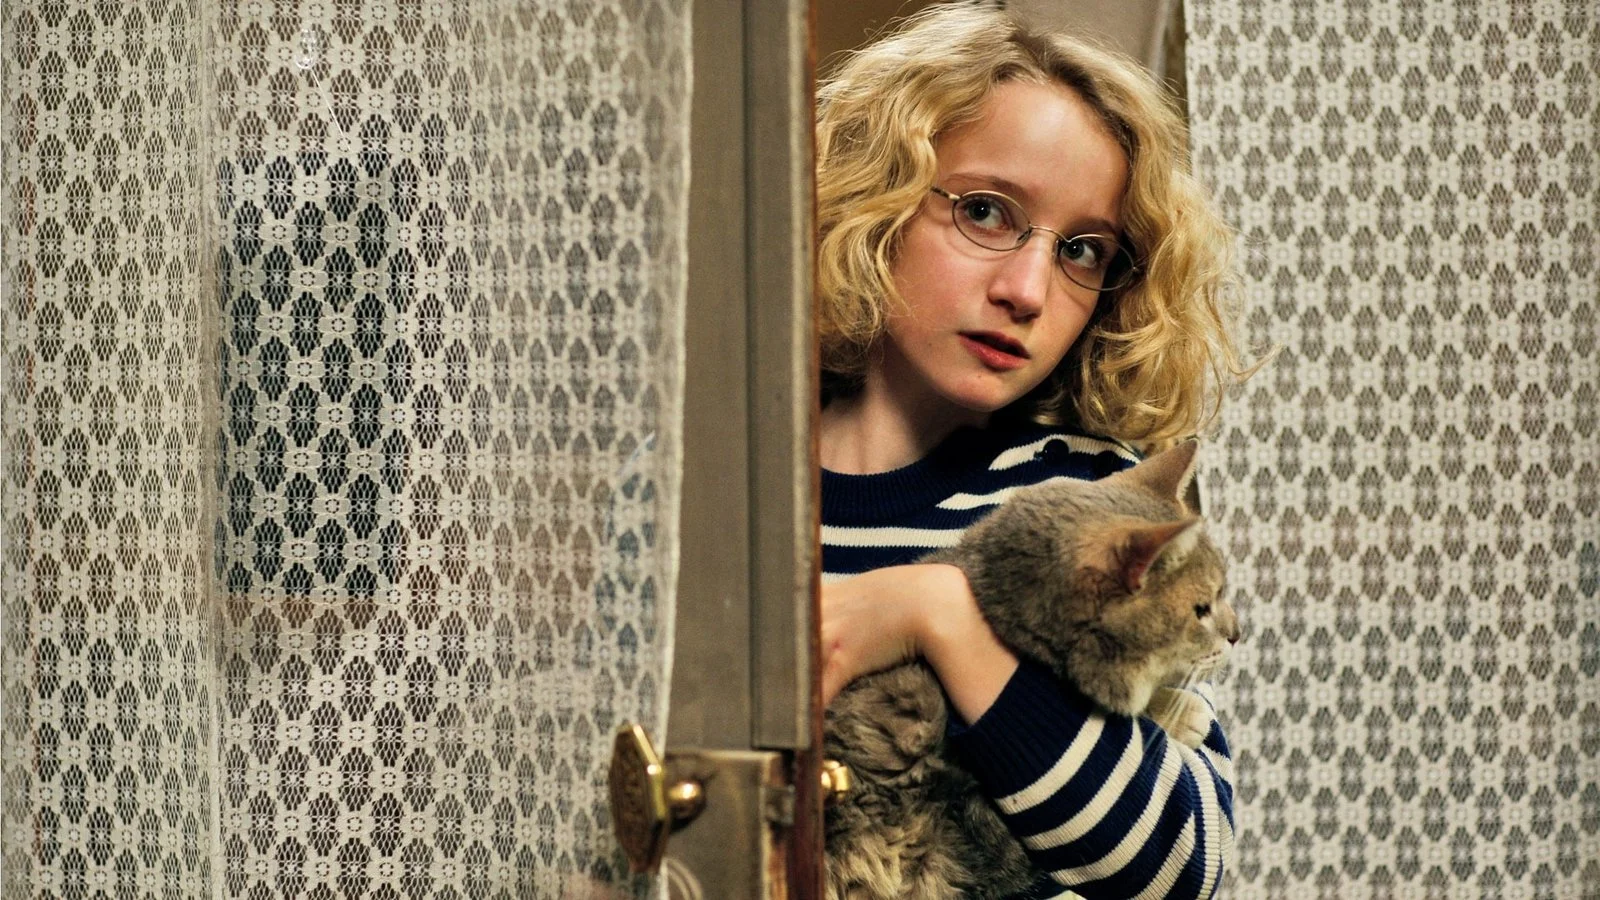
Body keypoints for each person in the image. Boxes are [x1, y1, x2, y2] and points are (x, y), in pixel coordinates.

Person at [815, 5, 1253, 899]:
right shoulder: (714, 486)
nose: (1027, 289)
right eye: (984, 211)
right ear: (876, 196)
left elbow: (1185, 863)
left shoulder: (1089, 495)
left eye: (1083, 251)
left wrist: (938, 612)